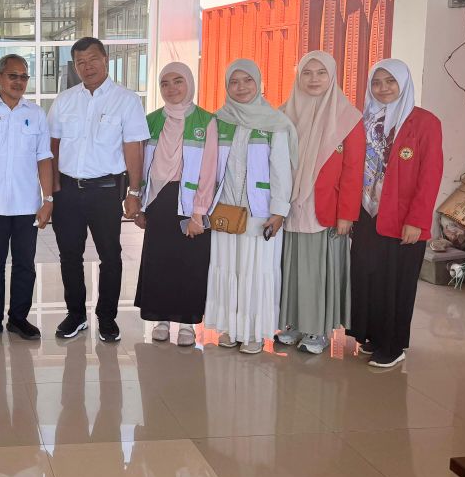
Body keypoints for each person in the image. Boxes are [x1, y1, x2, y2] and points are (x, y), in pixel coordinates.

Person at [47, 36, 149, 343]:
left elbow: (134, 149)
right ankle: (75, 315)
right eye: (80, 62)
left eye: (92, 59)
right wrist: (51, 191)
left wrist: (134, 193)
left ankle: (107, 318)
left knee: (110, 256)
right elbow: (52, 146)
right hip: (67, 190)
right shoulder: (65, 100)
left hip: (105, 190)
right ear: (75, 66)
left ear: (105, 59)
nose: (87, 66)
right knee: (69, 255)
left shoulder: (126, 100)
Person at [347, 59, 442, 368]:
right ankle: (373, 336)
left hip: (402, 219)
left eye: (390, 81)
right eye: (376, 82)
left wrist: (417, 220)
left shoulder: (424, 122)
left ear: (403, 83)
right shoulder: (363, 120)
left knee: (396, 283)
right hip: (366, 214)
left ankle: (393, 345)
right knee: (368, 277)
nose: (383, 88)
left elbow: (430, 176)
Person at [203, 59, 297, 354]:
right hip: (225, 213)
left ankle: (254, 332)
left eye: (247, 81)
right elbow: (209, 168)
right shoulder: (218, 121)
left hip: (260, 214)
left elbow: (282, 170)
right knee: (228, 267)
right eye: (234, 81)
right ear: (226, 86)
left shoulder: (275, 123)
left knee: (256, 271)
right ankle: (230, 328)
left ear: (259, 84)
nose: (241, 87)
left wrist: (279, 211)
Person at [276, 51, 364, 354]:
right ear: (298, 76)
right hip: (290, 206)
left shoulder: (348, 118)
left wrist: (346, 214)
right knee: (291, 267)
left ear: (332, 76)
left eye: (321, 73)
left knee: (317, 270)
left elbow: (353, 171)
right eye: (307, 73)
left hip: (325, 209)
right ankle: (293, 323)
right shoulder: (283, 115)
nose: (314, 79)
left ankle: (317, 329)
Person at [0, 54, 54, 343]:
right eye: (12, 76)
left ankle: (18, 319)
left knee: (25, 265)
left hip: (27, 205)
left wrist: (48, 199)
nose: (18, 82)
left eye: (23, 77)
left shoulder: (36, 114)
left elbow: (44, 158)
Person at [133, 62, 218, 347]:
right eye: (165, 83)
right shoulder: (151, 120)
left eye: (178, 81)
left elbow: (209, 171)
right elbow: (142, 165)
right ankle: (161, 320)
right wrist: (141, 205)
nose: (171, 88)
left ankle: (187, 324)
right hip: (158, 199)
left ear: (189, 83)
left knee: (189, 264)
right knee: (159, 261)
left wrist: (198, 213)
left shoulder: (206, 121)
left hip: (190, 203)